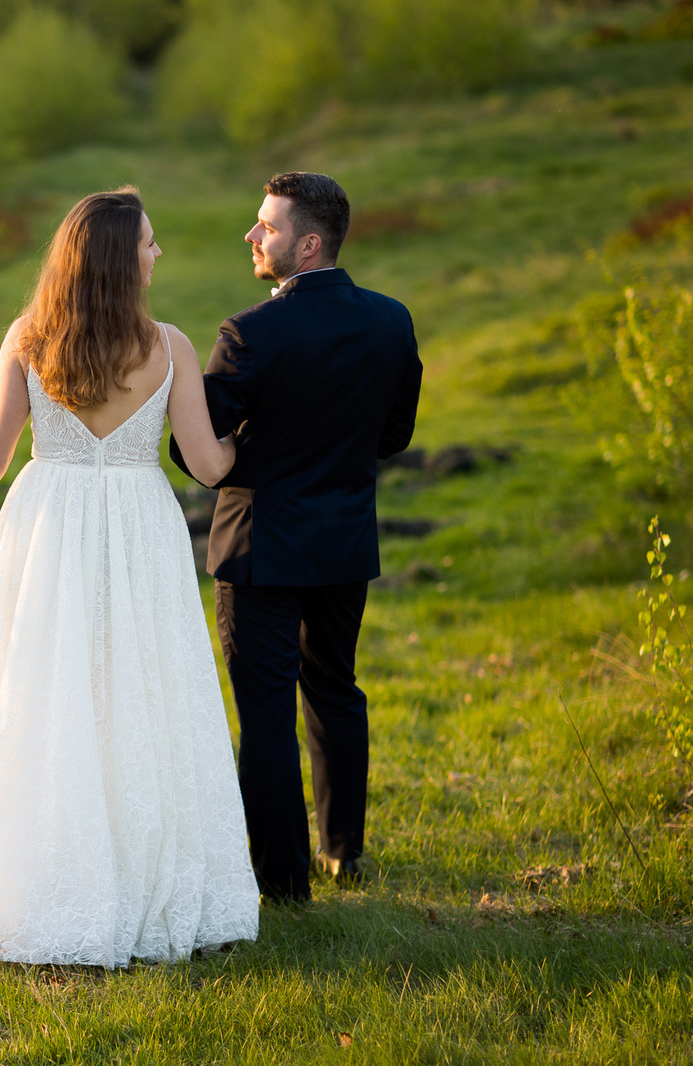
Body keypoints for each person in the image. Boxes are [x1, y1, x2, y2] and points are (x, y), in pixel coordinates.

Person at [0, 188, 260, 967]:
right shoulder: (172, 347)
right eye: (147, 243)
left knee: (36, 693)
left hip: (46, 527)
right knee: (137, 693)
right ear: (118, 262)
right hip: (140, 530)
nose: (156, 254)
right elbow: (211, 466)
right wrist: (261, 432)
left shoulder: (28, 338)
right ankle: (126, 870)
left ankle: (33, 875)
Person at [170, 172, 422, 904]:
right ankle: (344, 852)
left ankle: (281, 883)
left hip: (262, 549)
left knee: (267, 715)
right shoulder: (391, 321)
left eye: (267, 228)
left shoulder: (249, 333)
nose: (252, 236)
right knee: (337, 690)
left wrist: (251, 456)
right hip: (344, 541)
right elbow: (394, 435)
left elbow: (198, 449)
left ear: (308, 245)